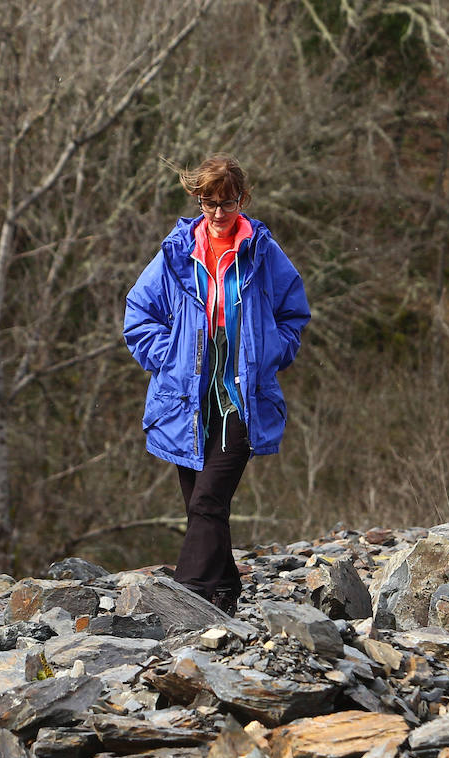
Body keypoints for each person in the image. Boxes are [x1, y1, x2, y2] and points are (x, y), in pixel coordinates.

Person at [123, 155, 310, 615]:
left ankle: (184, 598)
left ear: (242, 199)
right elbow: (138, 315)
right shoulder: (175, 253)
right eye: (209, 204)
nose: (219, 214)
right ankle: (224, 593)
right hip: (185, 402)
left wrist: (270, 354)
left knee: (207, 501)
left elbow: (293, 314)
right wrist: (168, 358)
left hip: (243, 399)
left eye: (227, 203)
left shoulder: (263, 252)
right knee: (202, 508)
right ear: (198, 201)